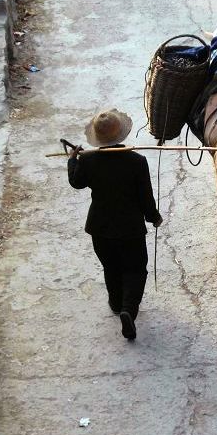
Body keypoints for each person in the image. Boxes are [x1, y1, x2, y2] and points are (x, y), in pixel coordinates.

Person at [68, 109, 163, 341]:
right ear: (121, 134)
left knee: (111, 267)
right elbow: (145, 198)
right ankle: (128, 310)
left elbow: (76, 182)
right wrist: (154, 217)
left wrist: (72, 160)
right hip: (130, 229)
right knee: (135, 269)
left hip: (99, 228)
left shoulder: (88, 160)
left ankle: (115, 302)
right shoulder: (137, 162)